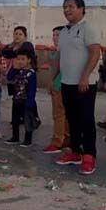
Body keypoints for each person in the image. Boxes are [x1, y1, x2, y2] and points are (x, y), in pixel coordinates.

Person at [49, 0, 101, 175]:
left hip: (85, 84)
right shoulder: (63, 32)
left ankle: (89, 156)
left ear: (81, 8)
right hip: (66, 83)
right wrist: (52, 78)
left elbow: (95, 54)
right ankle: (75, 152)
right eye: (65, 7)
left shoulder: (88, 29)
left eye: (71, 6)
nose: (67, 10)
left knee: (86, 120)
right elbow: (59, 58)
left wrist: (85, 77)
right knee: (72, 120)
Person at [2, 26, 41, 124]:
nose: (17, 36)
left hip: (26, 75)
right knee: (16, 95)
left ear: (25, 36)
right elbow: (4, 52)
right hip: (15, 73)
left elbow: (18, 53)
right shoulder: (11, 45)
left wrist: (13, 52)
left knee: (28, 95)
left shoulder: (27, 45)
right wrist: (11, 51)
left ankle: (33, 116)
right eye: (15, 33)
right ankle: (17, 118)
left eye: (20, 34)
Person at [43, 26, 69, 154]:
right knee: (64, 115)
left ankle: (57, 141)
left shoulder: (63, 52)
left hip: (61, 86)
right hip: (58, 86)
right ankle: (65, 139)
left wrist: (51, 83)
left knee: (59, 115)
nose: (54, 37)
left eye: (58, 35)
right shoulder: (56, 52)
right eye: (53, 35)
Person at [4, 49, 38, 147]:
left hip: (26, 100)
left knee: (28, 121)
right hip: (16, 99)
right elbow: (9, 77)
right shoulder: (17, 71)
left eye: (23, 59)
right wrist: (14, 68)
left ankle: (28, 140)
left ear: (29, 60)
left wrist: (30, 102)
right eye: (18, 59)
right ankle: (15, 137)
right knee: (15, 120)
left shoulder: (31, 73)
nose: (20, 61)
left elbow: (32, 88)